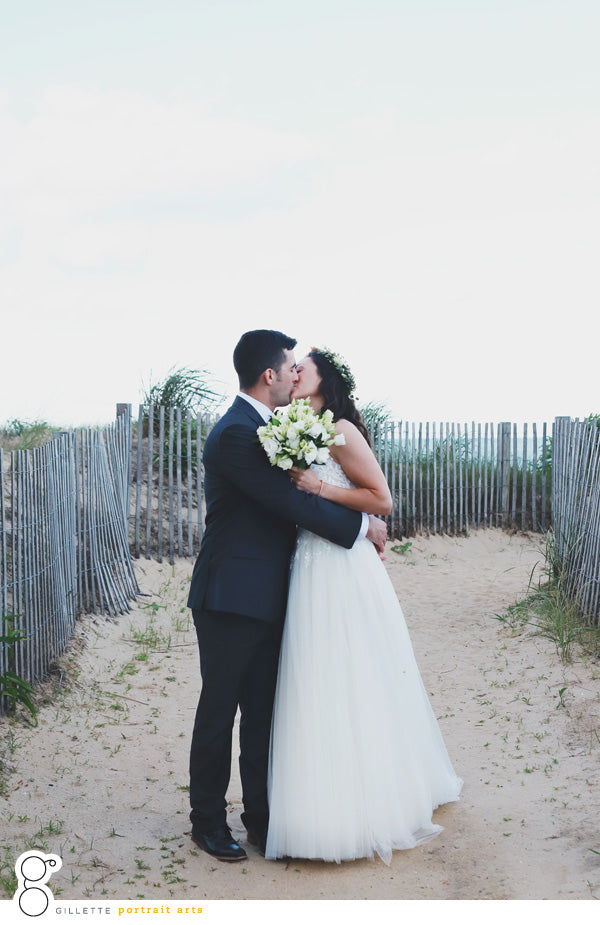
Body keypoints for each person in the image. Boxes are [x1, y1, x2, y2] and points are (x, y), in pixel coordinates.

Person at [186, 330, 387, 862]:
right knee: (218, 711)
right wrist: (362, 527)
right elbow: (287, 501)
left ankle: (261, 819)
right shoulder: (236, 432)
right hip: (230, 594)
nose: (297, 373)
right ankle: (205, 821)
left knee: (261, 714)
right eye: (290, 366)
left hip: (272, 593)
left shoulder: (268, 427)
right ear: (268, 375)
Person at [265, 348, 463, 864]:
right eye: (289, 366)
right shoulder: (289, 425)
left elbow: (382, 500)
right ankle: (315, 809)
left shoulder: (343, 431)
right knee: (316, 678)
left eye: (300, 365)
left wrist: (320, 486)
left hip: (345, 567)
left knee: (355, 674)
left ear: (321, 378)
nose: (292, 370)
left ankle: (373, 801)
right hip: (305, 564)